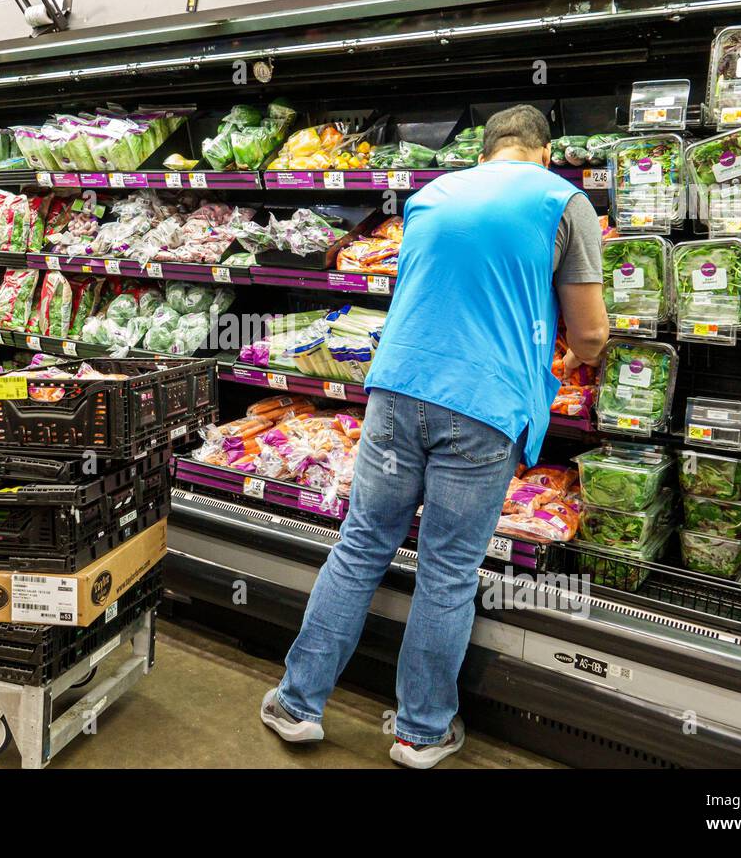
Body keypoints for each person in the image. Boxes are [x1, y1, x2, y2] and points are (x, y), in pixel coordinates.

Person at [260, 104, 608, 769]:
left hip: (396, 388)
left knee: (360, 546)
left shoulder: (430, 194)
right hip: (483, 405)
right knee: (447, 570)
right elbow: (588, 333)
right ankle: (420, 733)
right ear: (543, 150)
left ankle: (296, 706)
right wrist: (577, 355)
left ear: (485, 151)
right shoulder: (566, 202)